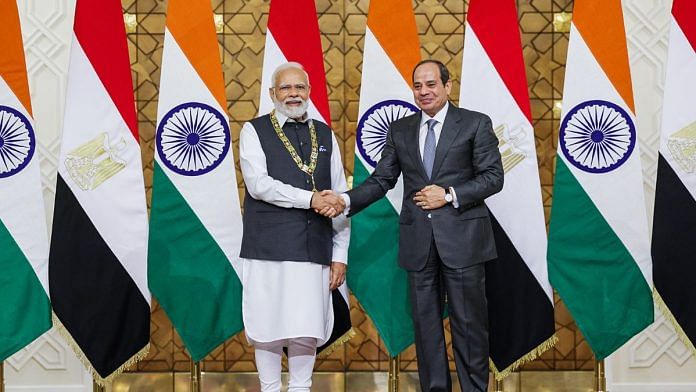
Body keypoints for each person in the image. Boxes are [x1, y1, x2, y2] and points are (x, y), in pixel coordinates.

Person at [339, 59, 503, 391]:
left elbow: (493, 177)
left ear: (447, 86)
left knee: (469, 327)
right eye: (418, 85)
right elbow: (382, 179)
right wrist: (344, 201)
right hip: (419, 244)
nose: (424, 91)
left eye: (431, 84)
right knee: (426, 329)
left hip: (464, 242)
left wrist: (450, 194)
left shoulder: (475, 124)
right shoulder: (400, 130)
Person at [238, 62, 350, 392]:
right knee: (268, 327)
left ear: (309, 92)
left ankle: (301, 388)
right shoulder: (253, 130)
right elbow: (259, 185)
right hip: (268, 248)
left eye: (299, 87)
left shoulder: (326, 133)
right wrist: (311, 200)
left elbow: (341, 197)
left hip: (315, 248)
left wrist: (341, 254)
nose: (293, 94)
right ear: (272, 94)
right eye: (285, 88)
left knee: (306, 328)